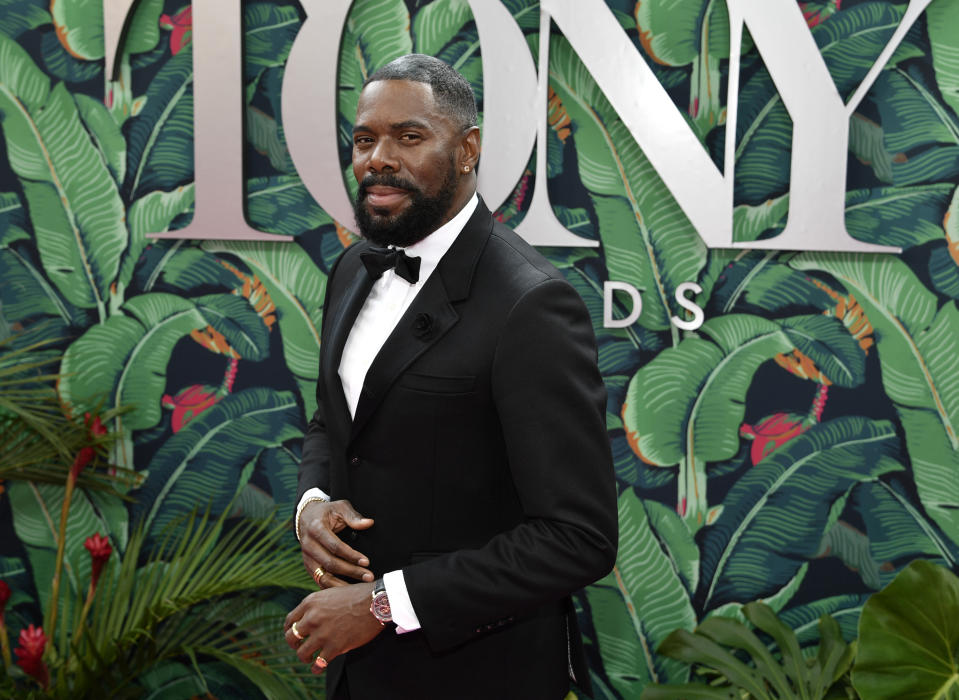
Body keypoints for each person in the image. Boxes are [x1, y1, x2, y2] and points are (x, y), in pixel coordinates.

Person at [284, 54, 617, 699]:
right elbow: (335, 420)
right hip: (358, 678)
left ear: (468, 151)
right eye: (363, 139)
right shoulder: (353, 268)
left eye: (409, 137)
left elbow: (578, 538)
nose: (378, 158)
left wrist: (382, 604)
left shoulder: (530, 304)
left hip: (479, 674)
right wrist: (313, 505)